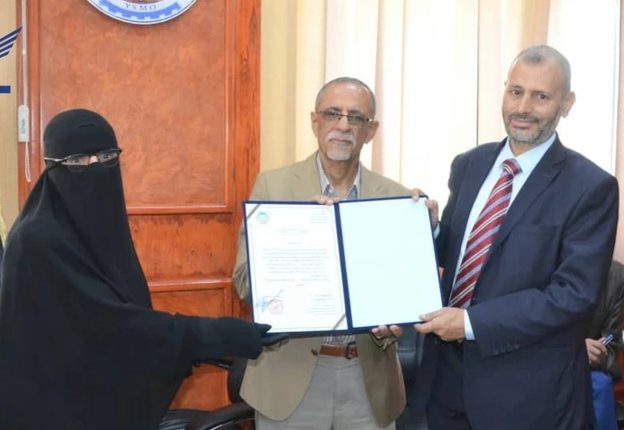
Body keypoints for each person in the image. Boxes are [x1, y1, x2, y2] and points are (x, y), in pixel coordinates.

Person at [0, 109, 277, 430]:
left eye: (106, 157)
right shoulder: (35, 242)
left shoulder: (102, 230)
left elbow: (126, 328)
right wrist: (215, 335)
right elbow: (112, 328)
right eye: (77, 161)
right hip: (53, 412)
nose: (95, 169)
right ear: (51, 166)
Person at [414, 45, 619, 430]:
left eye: (541, 96)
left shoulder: (591, 187)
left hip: (527, 396)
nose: (523, 107)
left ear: (567, 103)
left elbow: (573, 295)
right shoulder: (469, 164)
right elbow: (460, 254)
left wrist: (471, 323)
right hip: (445, 384)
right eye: (516, 91)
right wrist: (431, 228)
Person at [233, 77, 410, 430]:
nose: (343, 125)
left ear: (371, 130)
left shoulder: (397, 199)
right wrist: (296, 235)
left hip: (368, 381)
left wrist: (395, 320)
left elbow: (403, 289)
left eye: (356, 117)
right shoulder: (274, 186)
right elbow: (243, 281)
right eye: (333, 114)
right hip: (289, 378)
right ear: (315, 121)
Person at [586, 260, 624, 429]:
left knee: (601, 384)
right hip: (548, 356)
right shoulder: (546, 268)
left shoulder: (616, 277)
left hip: (594, 367)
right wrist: (575, 349)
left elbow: (611, 342)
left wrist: (596, 353)